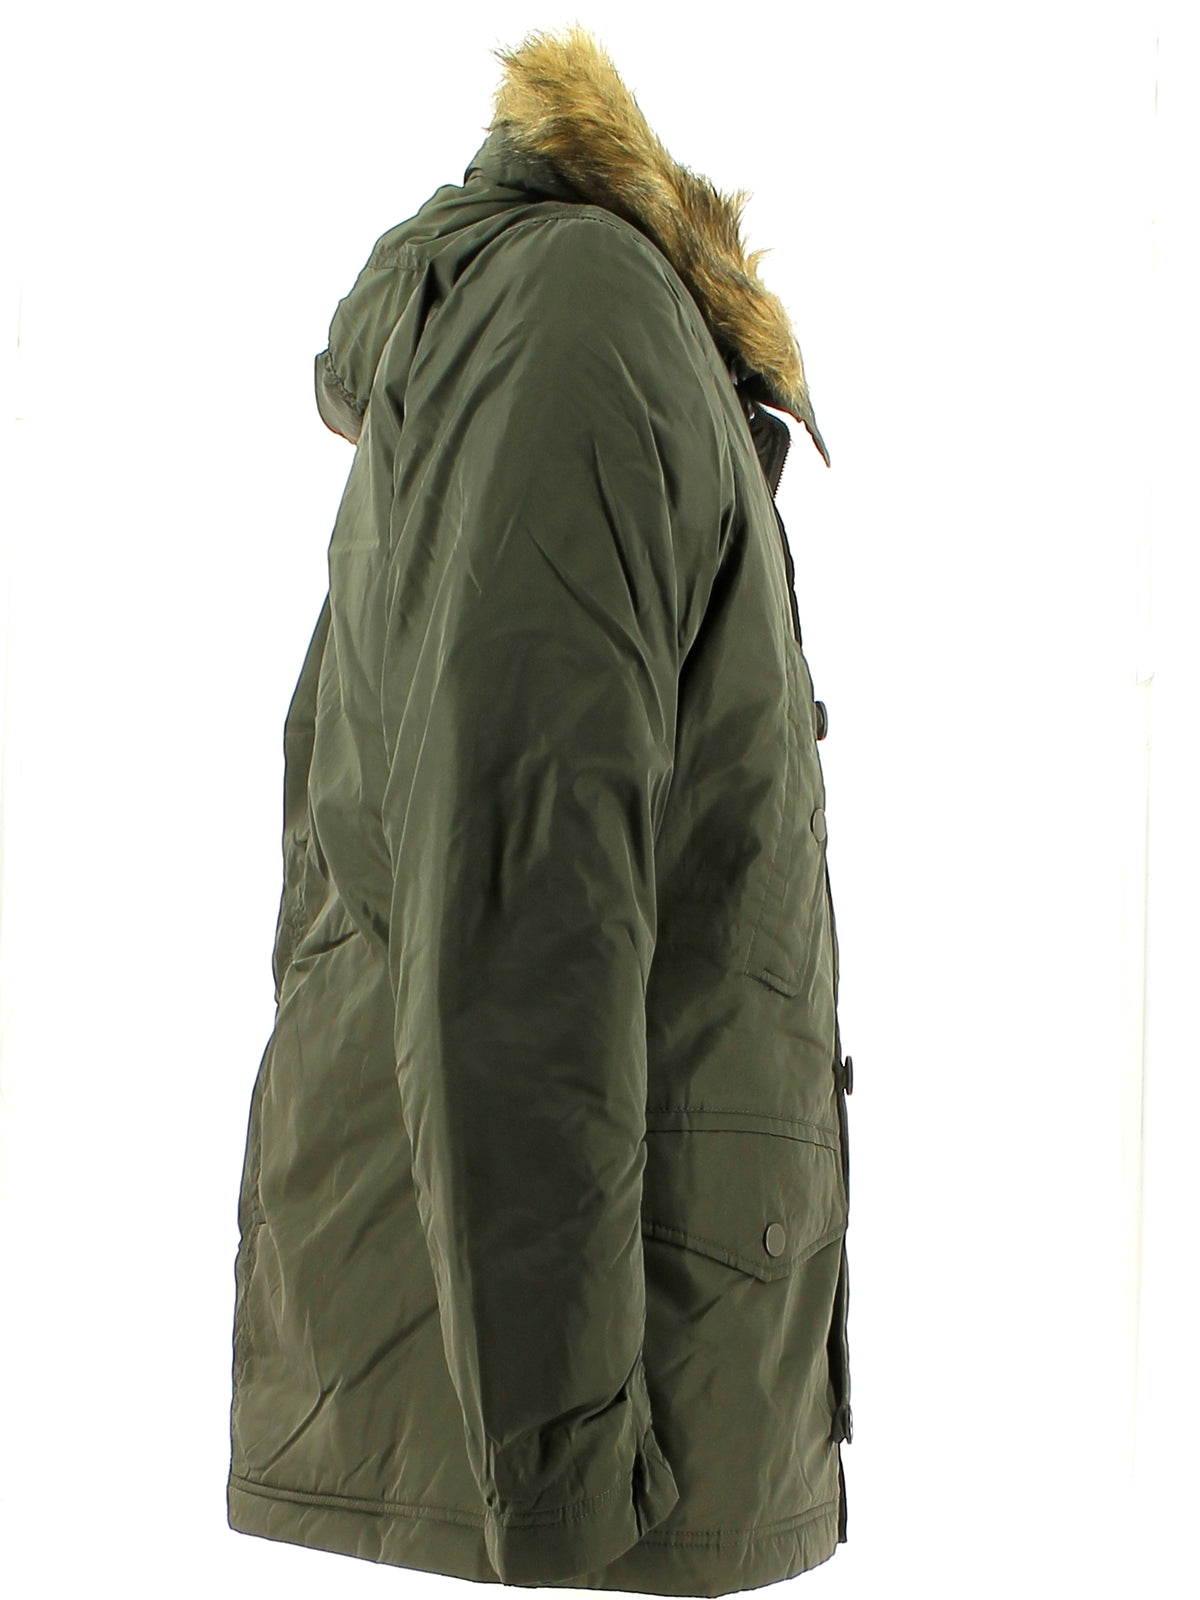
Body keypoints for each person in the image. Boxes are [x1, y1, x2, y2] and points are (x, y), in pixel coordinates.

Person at [227, 22, 853, 1595]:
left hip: (587, 1414)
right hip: (565, 1463)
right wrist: (567, 1490)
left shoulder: (601, 328)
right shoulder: (586, 316)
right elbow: (524, 911)